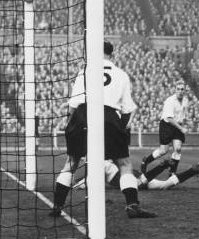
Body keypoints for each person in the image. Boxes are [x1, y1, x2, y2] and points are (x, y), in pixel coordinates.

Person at [49, 41, 157, 219]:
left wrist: (71, 122)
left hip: (83, 114)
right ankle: (132, 205)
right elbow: (128, 108)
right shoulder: (121, 75)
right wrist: (122, 126)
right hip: (109, 116)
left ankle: (57, 206)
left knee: (71, 163)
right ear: (111, 54)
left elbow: (73, 103)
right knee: (124, 164)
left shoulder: (85, 71)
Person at [140, 82, 188, 176]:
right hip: (167, 126)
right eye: (178, 89)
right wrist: (181, 128)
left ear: (185, 90)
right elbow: (169, 119)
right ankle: (146, 160)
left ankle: (172, 172)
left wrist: (183, 124)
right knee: (163, 151)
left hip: (178, 125)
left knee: (178, 148)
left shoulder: (186, 100)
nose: (180, 91)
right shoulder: (170, 101)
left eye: (182, 89)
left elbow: (183, 115)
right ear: (175, 90)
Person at [73, 159, 199, 191]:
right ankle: (194, 170)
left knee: (140, 183)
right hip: (127, 173)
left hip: (122, 177)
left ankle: (161, 166)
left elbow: (90, 180)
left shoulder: (97, 163)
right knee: (164, 185)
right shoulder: (100, 160)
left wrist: (74, 186)